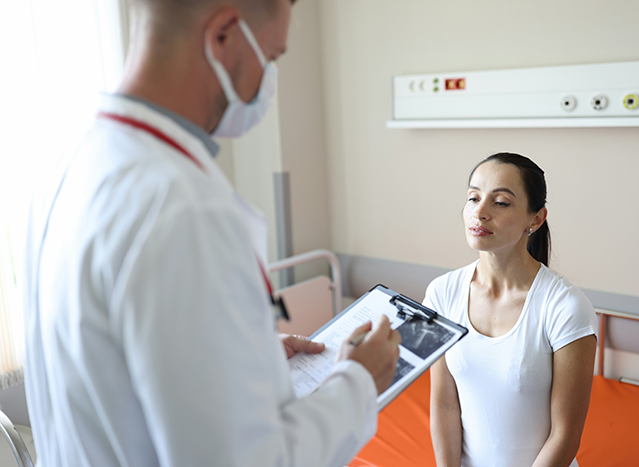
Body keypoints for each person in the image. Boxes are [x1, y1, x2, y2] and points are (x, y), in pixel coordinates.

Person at [21, 0, 401, 466]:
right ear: (223, 34)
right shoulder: (184, 208)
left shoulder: (68, 163)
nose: (269, 80)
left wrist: (249, 359)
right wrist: (358, 382)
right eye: (273, 57)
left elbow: (112, 367)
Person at [426, 153, 597, 467]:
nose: (480, 212)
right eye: (473, 198)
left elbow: (565, 435)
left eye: (500, 202)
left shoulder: (565, 307)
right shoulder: (442, 292)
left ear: (536, 218)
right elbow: (445, 405)